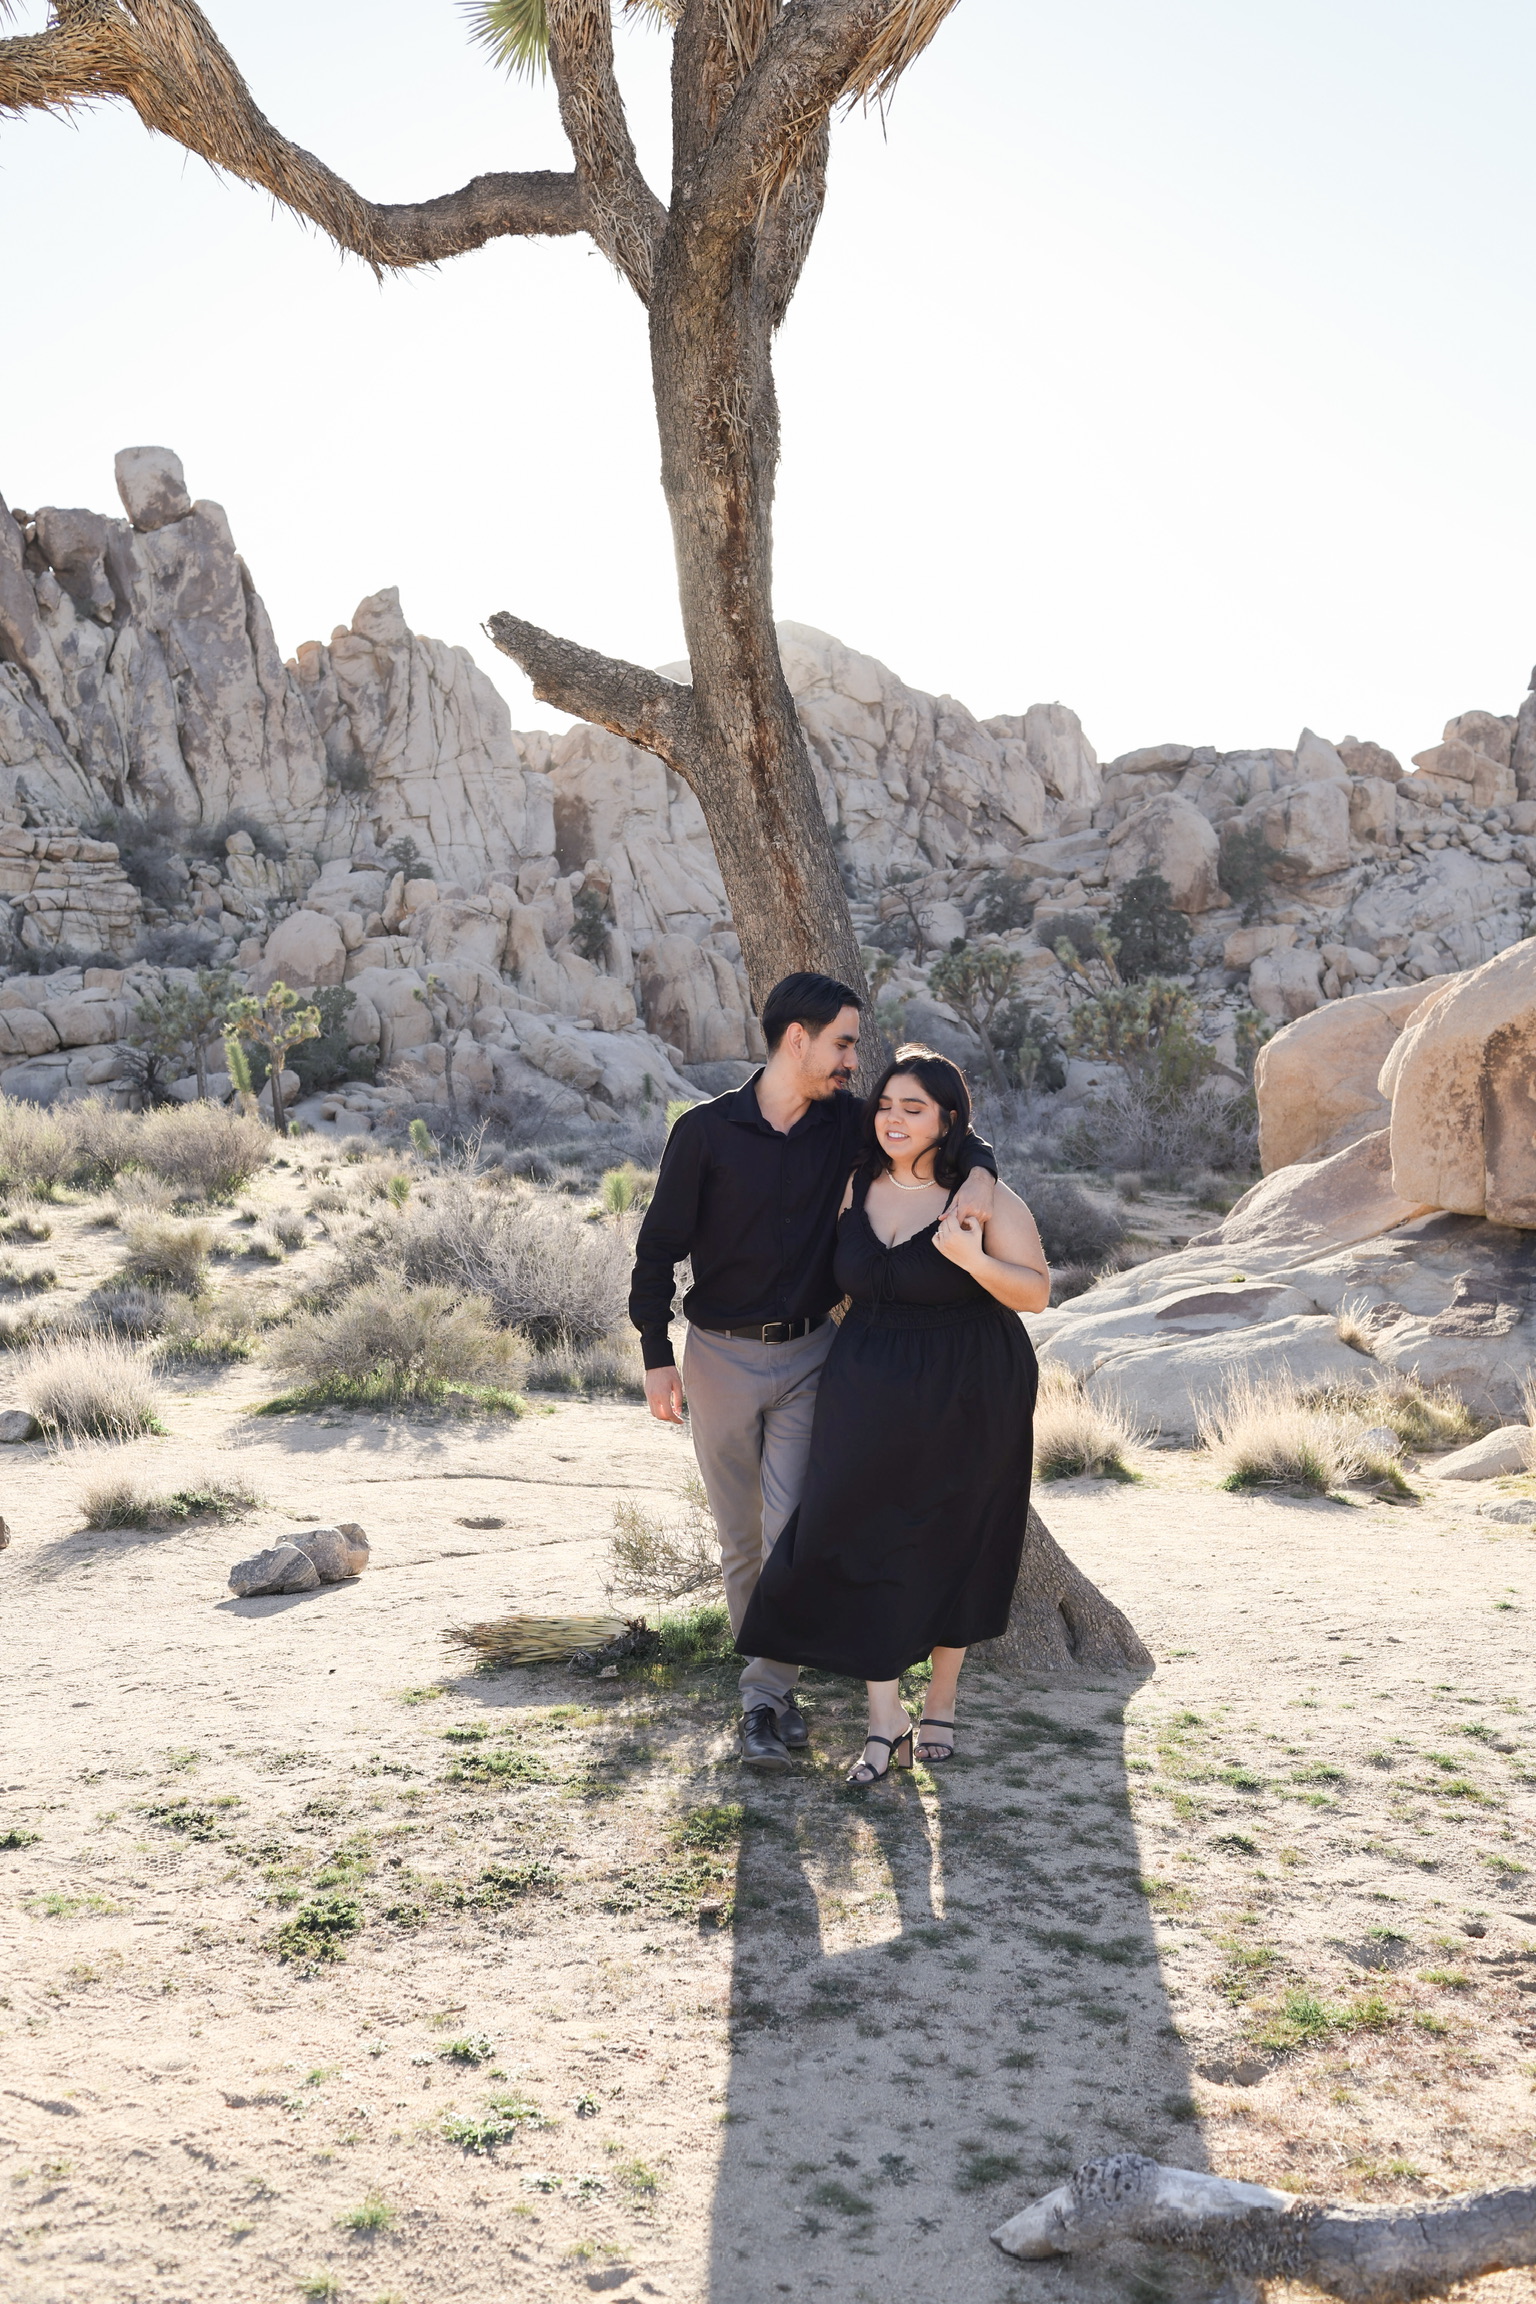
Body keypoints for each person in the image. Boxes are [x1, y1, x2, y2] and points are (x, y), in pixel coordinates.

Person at [630, 975, 999, 1771]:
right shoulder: (703, 1132)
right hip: (718, 1357)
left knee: (793, 1528)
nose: (850, 1061)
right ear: (797, 1039)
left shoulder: (846, 1128)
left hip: (811, 1356)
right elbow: (657, 1248)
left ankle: (769, 1690)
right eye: (841, 1043)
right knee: (741, 1540)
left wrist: (983, 1172)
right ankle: (769, 1703)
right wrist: (656, 1356)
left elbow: (944, 1134)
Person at [737, 1047, 1050, 1785]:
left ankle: (940, 1701)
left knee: (954, 1537)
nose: (893, 1120)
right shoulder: (855, 1181)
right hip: (866, 1384)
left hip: (971, 1385)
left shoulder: (984, 1200)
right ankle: (886, 1716)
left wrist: (972, 1261)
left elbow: (1036, 1294)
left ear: (949, 1121)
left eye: (915, 1109)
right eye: (886, 1105)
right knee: (858, 1535)